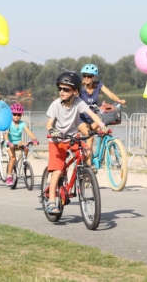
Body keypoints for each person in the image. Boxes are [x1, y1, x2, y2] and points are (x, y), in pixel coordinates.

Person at [45, 72, 108, 213]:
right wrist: (52, 130)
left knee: (87, 151)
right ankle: (51, 201)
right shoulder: (55, 105)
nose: (62, 92)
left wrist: (102, 125)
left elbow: (93, 115)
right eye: (60, 89)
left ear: (75, 91)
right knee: (57, 171)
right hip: (57, 140)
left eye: (66, 89)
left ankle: (81, 172)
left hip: (72, 137)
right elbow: (48, 124)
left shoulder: (79, 102)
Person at [78, 64, 126, 168]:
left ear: (94, 77)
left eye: (89, 76)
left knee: (104, 130)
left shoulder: (98, 85)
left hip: (94, 117)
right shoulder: (80, 87)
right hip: (81, 119)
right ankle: (88, 167)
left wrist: (119, 101)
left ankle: (105, 156)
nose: (86, 78)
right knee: (90, 137)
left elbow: (110, 94)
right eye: (84, 75)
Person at [3, 103, 39, 187]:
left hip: (18, 141)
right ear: (11, 114)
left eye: (19, 115)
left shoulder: (22, 123)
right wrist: (8, 142)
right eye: (14, 114)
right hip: (10, 143)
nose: (16, 116)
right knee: (13, 158)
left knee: (26, 145)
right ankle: (9, 177)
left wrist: (34, 139)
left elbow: (28, 131)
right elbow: (6, 134)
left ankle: (24, 161)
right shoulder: (8, 123)